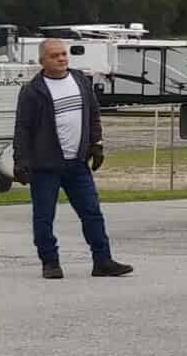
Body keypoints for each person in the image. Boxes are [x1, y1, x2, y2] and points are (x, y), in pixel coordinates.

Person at [13, 39, 133, 279]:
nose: (61, 59)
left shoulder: (79, 80)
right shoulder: (32, 90)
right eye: (54, 56)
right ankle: (50, 262)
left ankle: (103, 261)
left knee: (92, 212)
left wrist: (96, 144)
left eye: (63, 54)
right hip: (46, 165)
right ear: (42, 61)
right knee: (44, 215)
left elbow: (93, 114)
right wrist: (21, 160)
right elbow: (23, 128)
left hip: (77, 163)